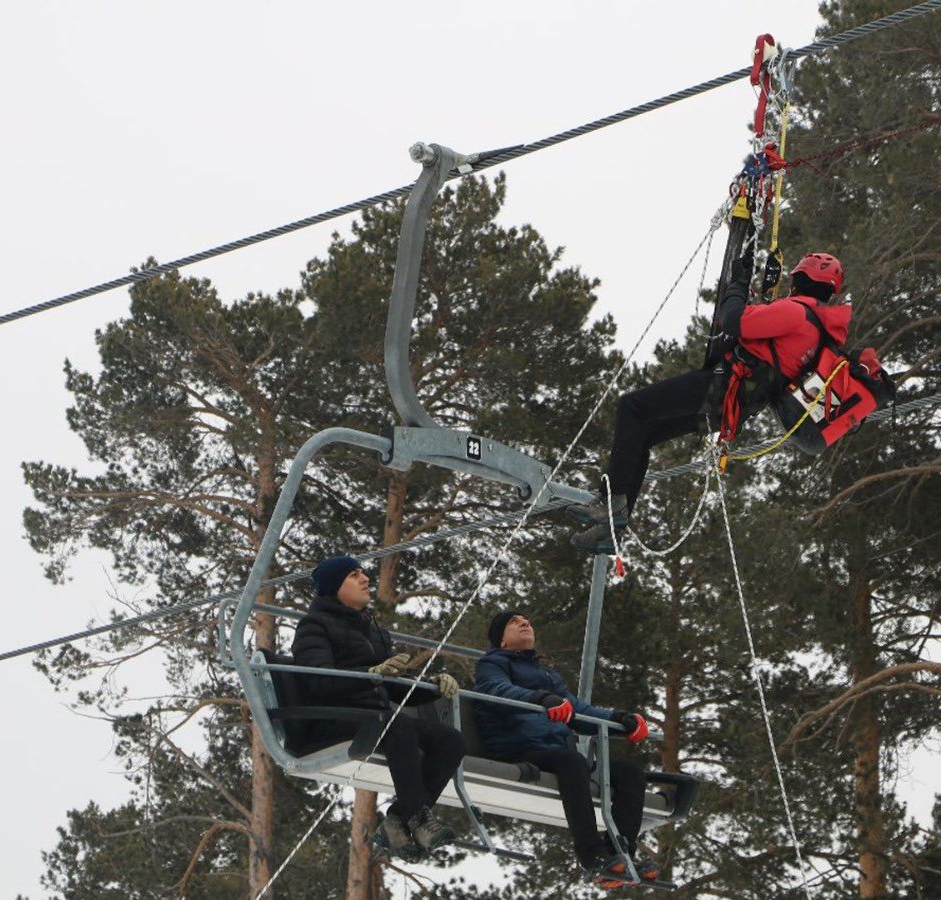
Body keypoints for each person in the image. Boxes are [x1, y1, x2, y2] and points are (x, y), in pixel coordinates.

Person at [571, 251, 893, 550]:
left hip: (723, 388)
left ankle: (609, 503)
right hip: (735, 408)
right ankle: (613, 530)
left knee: (633, 407)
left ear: (802, 280)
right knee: (643, 432)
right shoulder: (819, 333)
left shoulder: (797, 314)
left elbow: (734, 320)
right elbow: (764, 334)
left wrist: (738, 283)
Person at [289, 555, 465, 860]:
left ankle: (397, 819)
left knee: (451, 740)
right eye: (354, 575)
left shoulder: (371, 629)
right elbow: (318, 681)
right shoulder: (313, 627)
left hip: (376, 716)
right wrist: (370, 677)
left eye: (363, 573)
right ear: (334, 587)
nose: (365, 579)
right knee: (398, 725)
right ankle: (420, 818)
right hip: (333, 717)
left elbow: (394, 686)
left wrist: (432, 687)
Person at [473, 610, 657, 886]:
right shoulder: (492, 664)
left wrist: (619, 719)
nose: (525, 623)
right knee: (572, 762)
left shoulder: (546, 675)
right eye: (514, 622)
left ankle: (621, 853)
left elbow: (578, 711)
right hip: (519, 748)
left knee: (630, 773)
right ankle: (591, 855)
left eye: (528, 621)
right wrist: (541, 698)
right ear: (501, 641)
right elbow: (496, 691)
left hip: (556, 751)